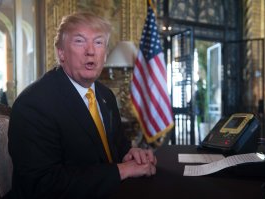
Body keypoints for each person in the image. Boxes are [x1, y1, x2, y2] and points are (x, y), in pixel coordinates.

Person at [8, 12, 156, 199]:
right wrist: (122, 170)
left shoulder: (105, 95)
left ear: (105, 54)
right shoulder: (34, 104)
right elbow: (42, 184)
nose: (91, 51)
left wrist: (131, 155)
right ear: (61, 53)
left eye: (98, 42)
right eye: (79, 41)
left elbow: (117, 147)